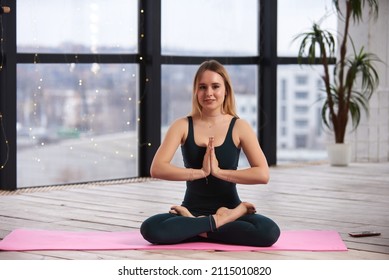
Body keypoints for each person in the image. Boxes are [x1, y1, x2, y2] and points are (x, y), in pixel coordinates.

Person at [140, 60, 280, 247]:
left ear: (226, 91)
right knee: (150, 228)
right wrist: (201, 172)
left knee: (269, 232)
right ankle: (217, 221)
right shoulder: (182, 125)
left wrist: (219, 172)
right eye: (202, 87)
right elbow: (157, 169)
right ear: (196, 92)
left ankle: (195, 226)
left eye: (215, 86)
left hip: (228, 207)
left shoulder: (239, 126)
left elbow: (262, 174)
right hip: (193, 209)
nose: (209, 93)